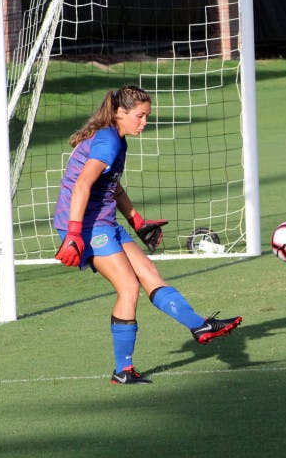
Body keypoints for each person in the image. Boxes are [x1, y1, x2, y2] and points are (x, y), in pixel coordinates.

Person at [53, 84, 242, 385]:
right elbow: (81, 186)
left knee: (148, 272)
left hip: (103, 221)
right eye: (140, 116)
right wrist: (74, 233)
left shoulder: (118, 140)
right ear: (119, 113)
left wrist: (137, 221)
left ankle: (200, 326)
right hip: (86, 226)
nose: (144, 122)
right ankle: (123, 371)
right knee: (128, 287)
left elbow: (112, 186)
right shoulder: (107, 142)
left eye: (147, 117)